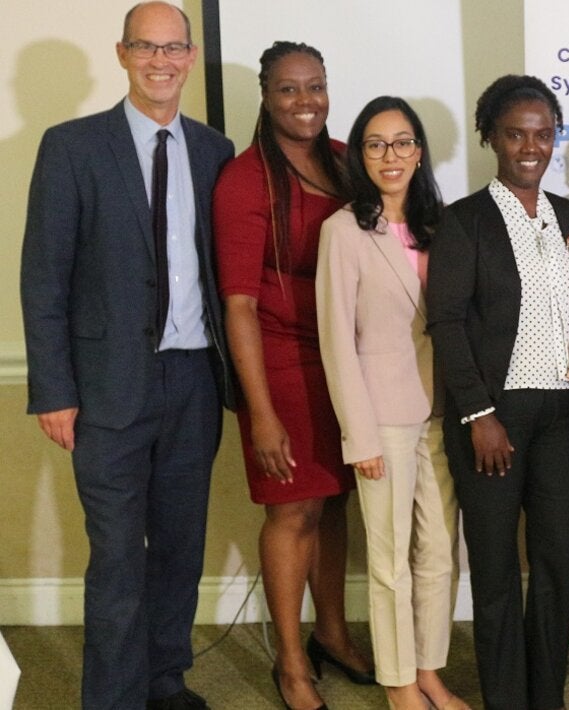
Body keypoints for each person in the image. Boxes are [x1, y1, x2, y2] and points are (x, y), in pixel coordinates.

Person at [19, 3, 234, 707]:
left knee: (179, 548)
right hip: (106, 388)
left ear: (191, 56)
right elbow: (44, 277)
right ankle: (113, 699)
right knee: (116, 555)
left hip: (194, 382)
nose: (160, 61)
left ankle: (164, 682)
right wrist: (54, 390)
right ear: (122, 54)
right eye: (146, 47)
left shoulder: (214, 151)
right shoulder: (72, 147)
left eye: (173, 48)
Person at [214, 40, 375, 710]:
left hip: (343, 360)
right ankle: (289, 661)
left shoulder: (344, 161)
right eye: (288, 88)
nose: (305, 101)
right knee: (293, 508)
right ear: (266, 96)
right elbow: (239, 305)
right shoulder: (244, 180)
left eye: (316, 86)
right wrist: (262, 413)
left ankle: (331, 634)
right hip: (279, 361)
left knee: (334, 500)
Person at [426, 75, 569, 710]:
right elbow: (446, 321)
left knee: (556, 564)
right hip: (494, 416)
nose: (530, 147)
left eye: (543, 134)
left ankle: (546, 697)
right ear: (491, 137)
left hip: (563, 415)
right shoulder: (464, 221)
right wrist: (479, 413)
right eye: (516, 134)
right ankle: (505, 700)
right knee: (495, 570)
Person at [317, 96, 467, 710]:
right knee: (389, 559)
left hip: (442, 409)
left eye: (403, 142)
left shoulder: (442, 225)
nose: (391, 155)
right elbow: (336, 341)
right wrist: (360, 436)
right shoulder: (343, 230)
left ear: (419, 151)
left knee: (439, 553)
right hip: (381, 416)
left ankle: (429, 670)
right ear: (360, 155)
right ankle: (399, 683)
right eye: (375, 144)